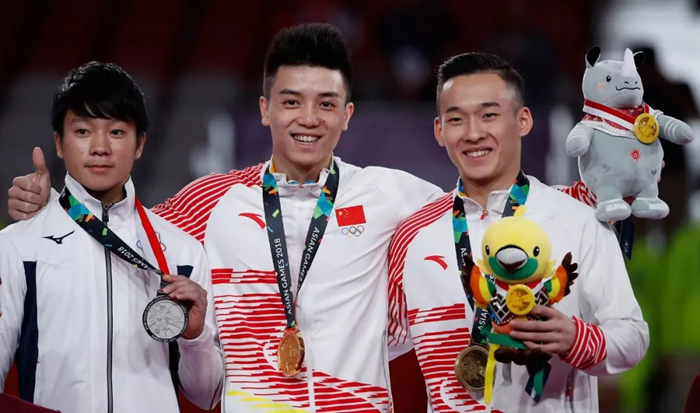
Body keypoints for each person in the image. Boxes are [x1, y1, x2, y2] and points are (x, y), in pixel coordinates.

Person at [6, 25, 605, 412]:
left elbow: (491, 212)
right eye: (291, 102)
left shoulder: (392, 195)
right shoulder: (211, 201)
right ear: (266, 109)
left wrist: (591, 196)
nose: (308, 119)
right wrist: (48, 207)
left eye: (326, 104)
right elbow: (115, 234)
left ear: (348, 114)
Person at [387, 52, 649, 412]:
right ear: (439, 130)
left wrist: (576, 338)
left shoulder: (578, 220)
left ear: (523, 120)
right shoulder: (412, 234)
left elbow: (633, 337)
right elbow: (380, 345)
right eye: (457, 119)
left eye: (489, 115)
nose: (473, 133)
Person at [0, 62, 224, 413]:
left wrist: (195, 338)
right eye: (83, 131)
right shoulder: (19, 247)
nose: (100, 147)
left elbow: (207, 395)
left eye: (117, 132)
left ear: (140, 144)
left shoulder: (183, 253)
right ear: (59, 143)